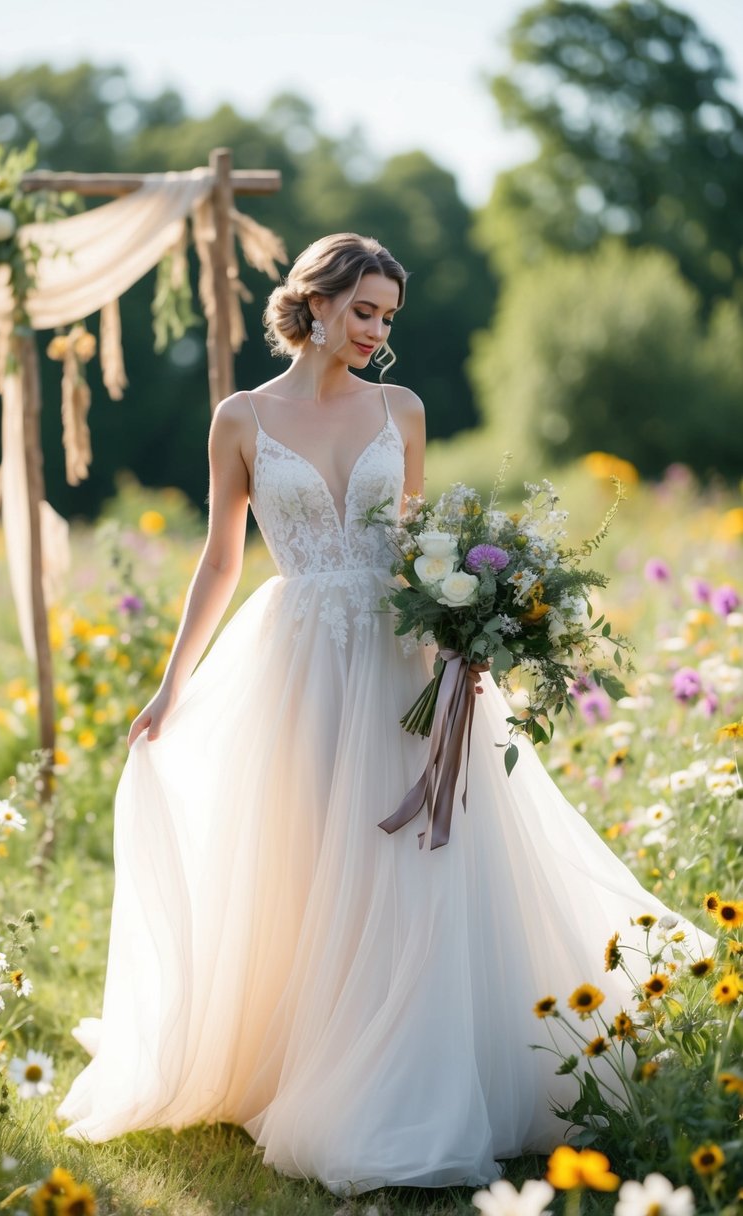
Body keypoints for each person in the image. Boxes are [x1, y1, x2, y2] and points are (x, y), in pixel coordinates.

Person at [56, 233, 709, 1195]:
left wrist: (466, 634)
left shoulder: (400, 410)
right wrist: (170, 685)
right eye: (363, 310)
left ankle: (406, 1069)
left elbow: (416, 549)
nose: (375, 332)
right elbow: (222, 561)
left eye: (387, 317)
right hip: (291, 658)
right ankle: (295, 1056)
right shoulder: (238, 419)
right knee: (302, 854)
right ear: (314, 304)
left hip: (398, 657)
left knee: (407, 862)